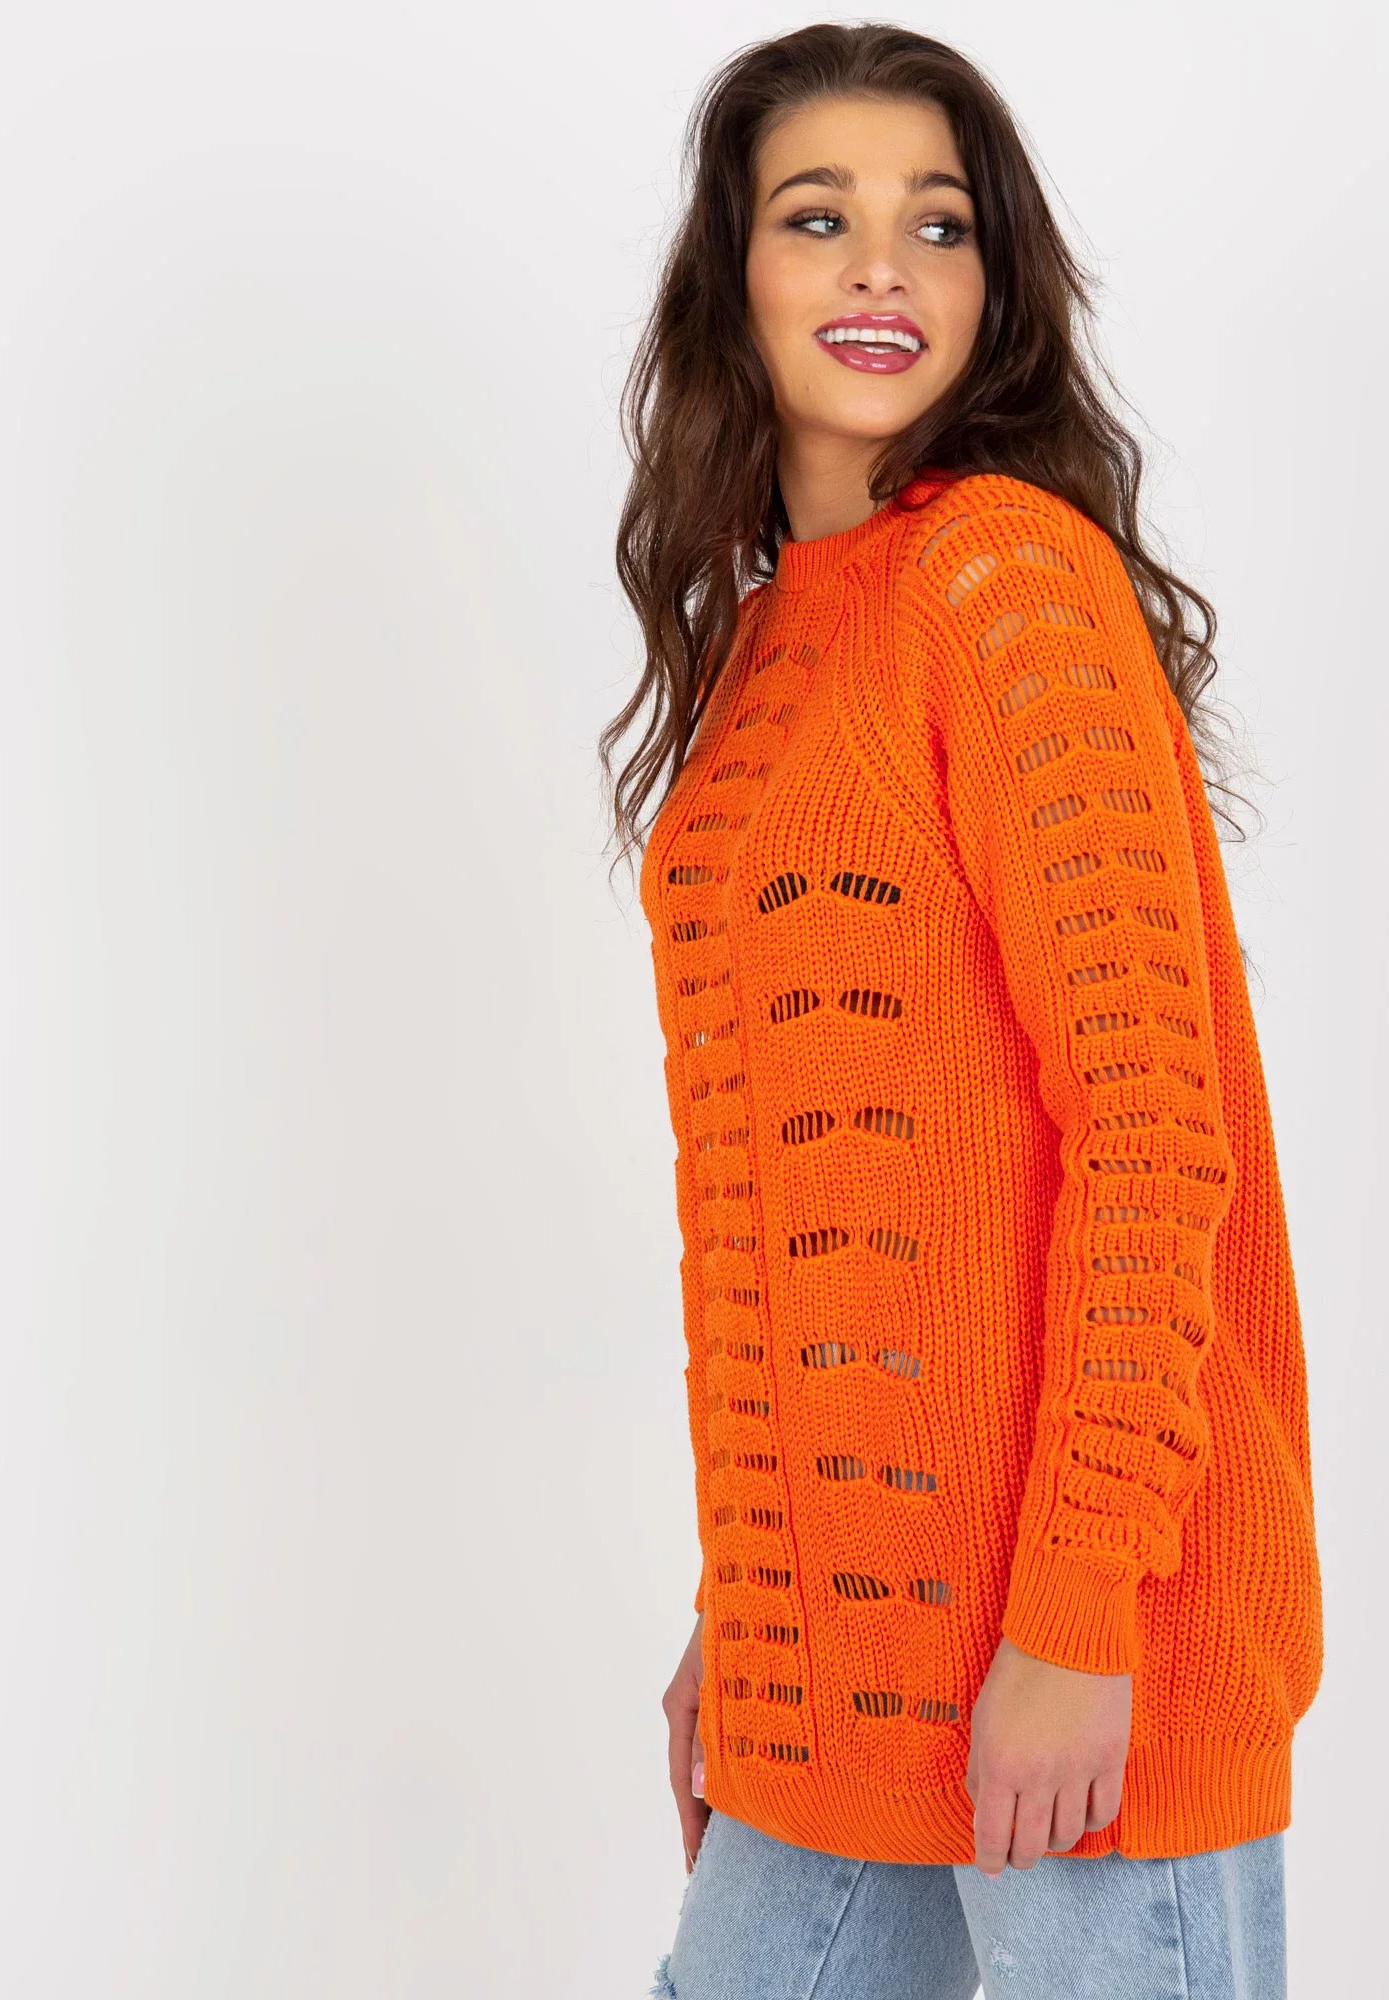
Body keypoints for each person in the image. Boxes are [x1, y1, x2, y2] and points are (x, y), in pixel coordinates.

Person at [598, 22, 1325, 2000]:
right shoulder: (767, 644)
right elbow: (818, 1209)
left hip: (1084, 1655)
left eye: (938, 224)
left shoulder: (1006, 586)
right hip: (842, 1661)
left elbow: (1148, 1138)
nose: (879, 268)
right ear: (731, 272)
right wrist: (753, 1608)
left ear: (996, 283)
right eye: (814, 216)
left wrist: (1077, 1621)